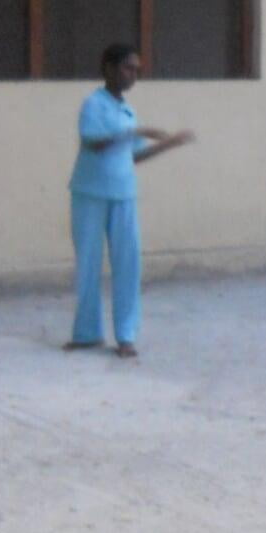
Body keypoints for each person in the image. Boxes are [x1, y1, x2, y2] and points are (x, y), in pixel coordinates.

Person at [64, 44, 195, 359]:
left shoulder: (127, 111)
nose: (133, 75)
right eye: (127, 68)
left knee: (128, 265)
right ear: (108, 68)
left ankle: (126, 335)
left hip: (123, 194)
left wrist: (169, 143)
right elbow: (94, 143)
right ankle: (87, 333)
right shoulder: (93, 104)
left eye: (136, 70)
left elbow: (133, 155)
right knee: (88, 265)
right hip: (90, 193)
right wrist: (139, 130)